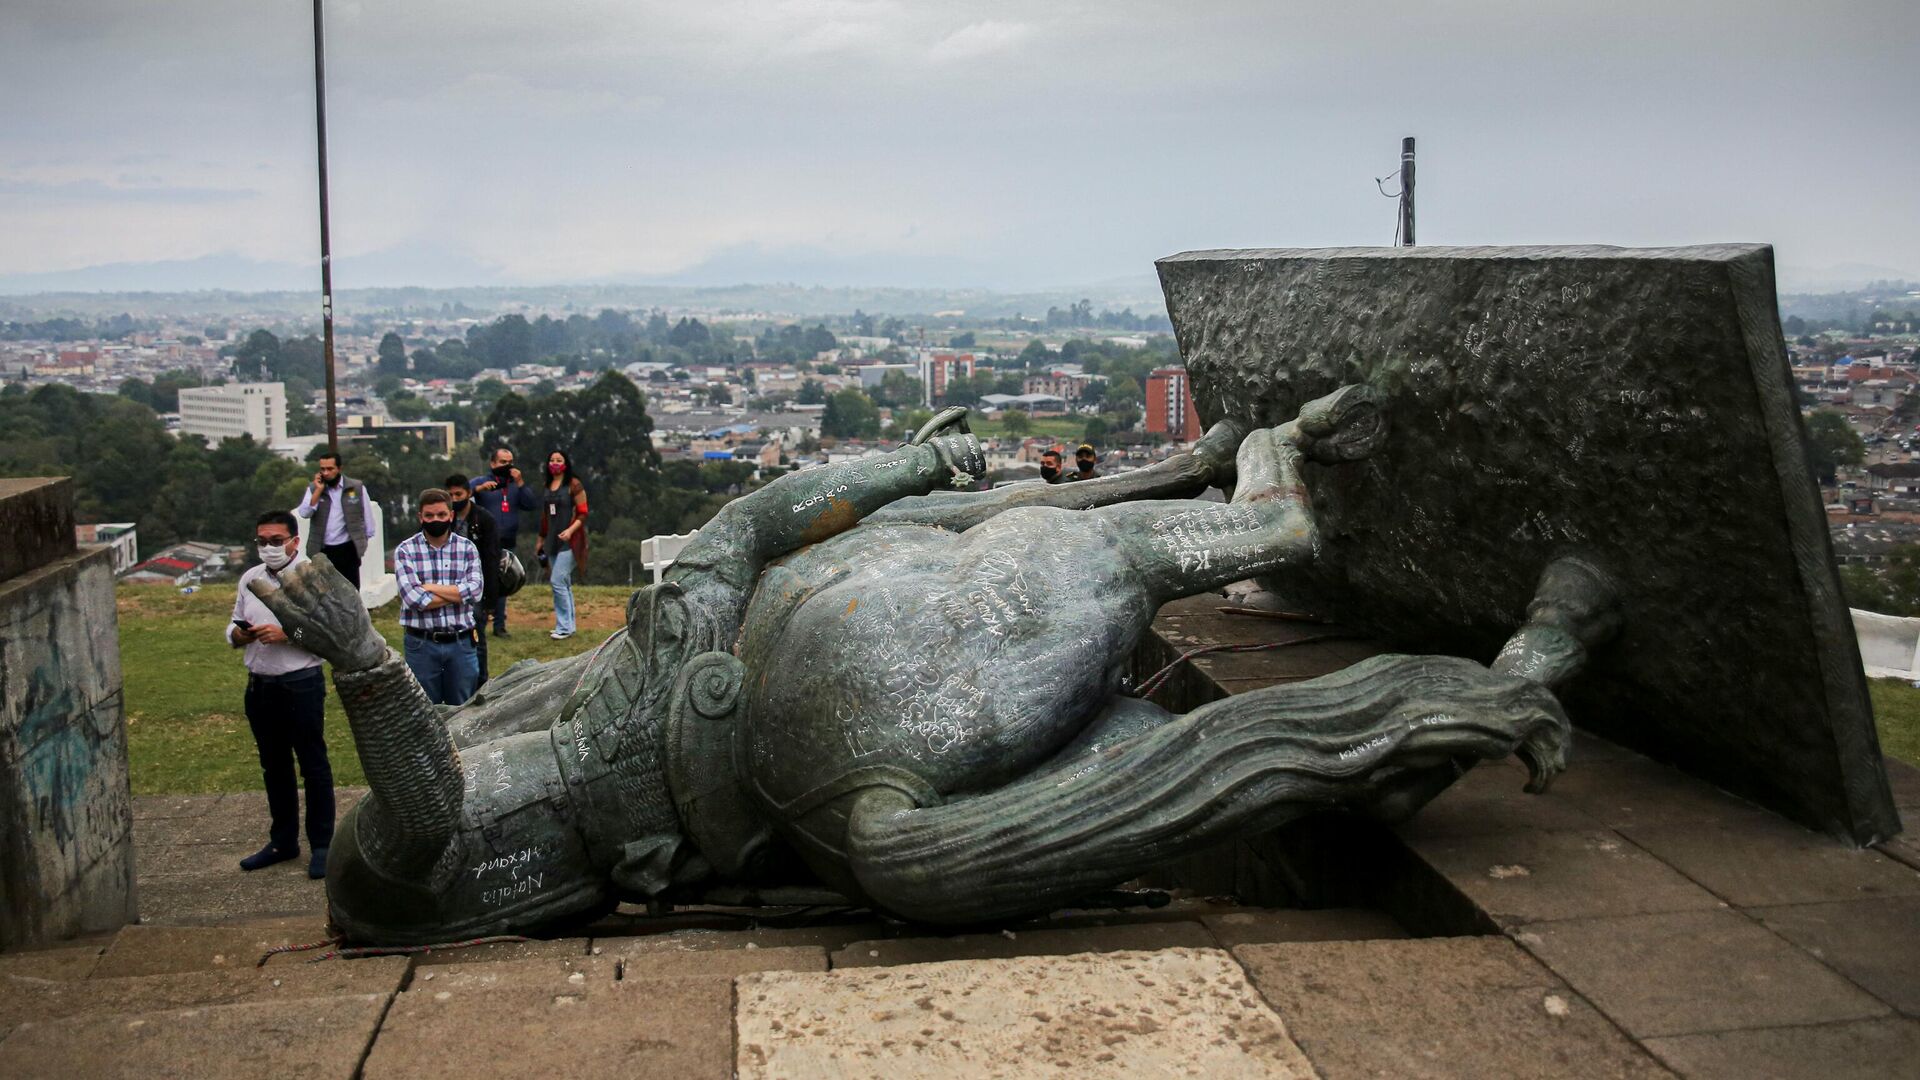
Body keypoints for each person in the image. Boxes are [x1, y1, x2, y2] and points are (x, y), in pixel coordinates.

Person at [227, 510, 334, 879]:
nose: (269, 548)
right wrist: (239, 635)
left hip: (300, 683)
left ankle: (322, 844)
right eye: (262, 541)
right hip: (260, 684)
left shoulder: (313, 578)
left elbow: (329, 636)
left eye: (276, 541)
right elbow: (233, 624)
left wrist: (288, 636)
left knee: (313, 765)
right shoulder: (250, 578)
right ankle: (282, 841)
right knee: (274, 766)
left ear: (294, 541)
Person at [395, 488, 484, 705]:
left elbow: (476, 591)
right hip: (422, 644)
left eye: (441, 515)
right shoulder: (405, 550)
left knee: (464, 712)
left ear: (451, 516)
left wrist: (430, 587)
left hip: (461, 643)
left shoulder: (467, 548)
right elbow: (414, 599)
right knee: (425, 714)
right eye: (430, 516)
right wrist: (457, 593)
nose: (436, 520)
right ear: (421, 517)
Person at [470, 446, 538, 637]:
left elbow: (531, 504)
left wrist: (521, 482)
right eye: (502, 462)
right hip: (483, 541)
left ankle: (499, 625)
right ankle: (479, 619)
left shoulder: (515, 485)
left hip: (508, 540)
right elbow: (459, 494)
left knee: (503, 581)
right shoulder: (482, 482)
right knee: (482, 581)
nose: (507, 466)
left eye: (510, 462)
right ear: (492, 463)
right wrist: (477, 490)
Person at [445, 473, 500, 687]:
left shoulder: (484, 520)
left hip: (476, 584)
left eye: (458, 494)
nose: (454, 498)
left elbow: (492, 559)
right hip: (449, 582)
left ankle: (481, 681)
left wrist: (490, 600)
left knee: (476, 631)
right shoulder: (443, 518)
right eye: (450, 495)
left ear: (469, 493)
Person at [293, 452, 375, 590]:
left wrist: (362, 542)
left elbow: (367, 517)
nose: (326, 473)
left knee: (351, 590)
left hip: (348, 548)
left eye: (330, 469)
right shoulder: (314, 488)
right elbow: (305, 513)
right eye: (323, 469)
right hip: (323, 550)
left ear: (339, 468)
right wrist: (318, 491)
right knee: (327, 592)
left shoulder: (355, 487)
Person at [536, 450, 589, 641]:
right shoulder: (547, 486)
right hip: (552, 539)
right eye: (552, 460)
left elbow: (583, 513)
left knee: (557, 581)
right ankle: (568, 625)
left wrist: (570, 530)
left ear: (566, 463)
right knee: (563, 583)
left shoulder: (574, 485)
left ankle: (564, 627)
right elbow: (544, 516)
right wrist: (541, 539)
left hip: (571, 541)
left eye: (559, 460)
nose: (555, 463)